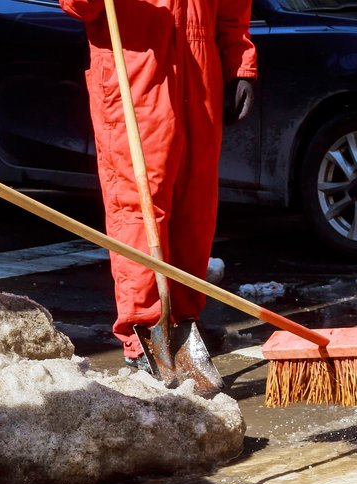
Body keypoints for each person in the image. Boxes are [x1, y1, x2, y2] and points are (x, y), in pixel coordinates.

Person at [59, 0, 256, 392]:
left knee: (194, 206)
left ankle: (182, 321)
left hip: (199, 66)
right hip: (134, 64)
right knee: (138, 203)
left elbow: (233, 7)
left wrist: (238, 61)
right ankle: (145, 327)